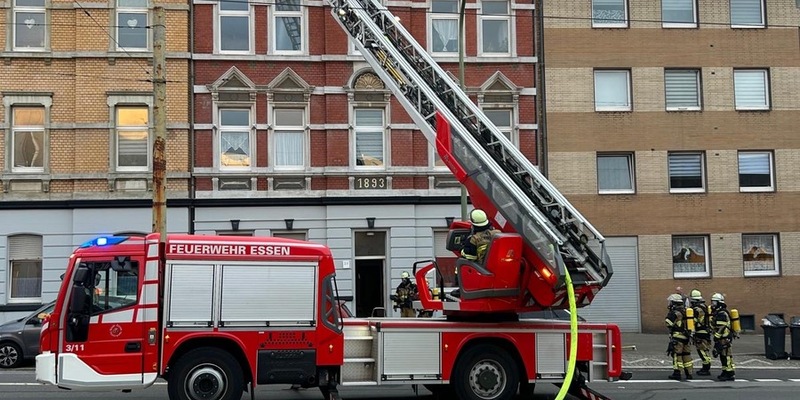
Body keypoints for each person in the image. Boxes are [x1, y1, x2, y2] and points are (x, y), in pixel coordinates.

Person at [450, 209, 500, 299]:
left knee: (460, 262)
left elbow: (470, 257)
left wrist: (462, 250)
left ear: (473, 224)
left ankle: (461, 289)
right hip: (495, 268)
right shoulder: (498, 234)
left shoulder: (473, 239)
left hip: (480, 269)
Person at [665, 293, 693, 381]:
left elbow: (668, 323)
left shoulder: (674, 313)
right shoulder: (686, 311)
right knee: (686, 354)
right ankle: (689, 373)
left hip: (677, 337)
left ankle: (677, 373)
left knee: (677, 355)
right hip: (687, 337)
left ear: (674, 303)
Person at [711, 292, 735, 381]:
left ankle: (730, 373)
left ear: (719, 302)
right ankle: (725, 371)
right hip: (722, 338)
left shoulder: (722, 313)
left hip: (725, 338)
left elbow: (722, 326)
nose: (712, 304)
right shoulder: (719, 312)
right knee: (722, 355)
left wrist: (717, 336)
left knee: (726, 356)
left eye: (714, 302)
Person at [689, 289, 712, 376]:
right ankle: (706, 366)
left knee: (701, 350)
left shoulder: (696, 309)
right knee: (705, 349)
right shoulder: (705, 307)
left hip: (700, 332)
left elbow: (694, 321)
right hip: (706, 331)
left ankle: (706, 368)